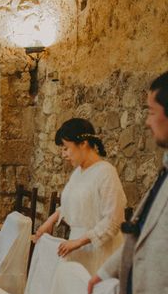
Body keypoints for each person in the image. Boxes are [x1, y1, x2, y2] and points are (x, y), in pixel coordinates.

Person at [88, 72, 168, 294]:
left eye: (151, 111)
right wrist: (106, 271)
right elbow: (144, 229)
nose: (147, 122)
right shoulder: (164, 169)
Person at [34, 118, 127, 275]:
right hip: (77, 247)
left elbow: (113, 220)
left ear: (83, 143)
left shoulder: (106, 172)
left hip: (100, 251)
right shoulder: (78, 172)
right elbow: (71, 203)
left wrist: (79, 242)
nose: (64, 154)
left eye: (66, 148)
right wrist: (49, 222)